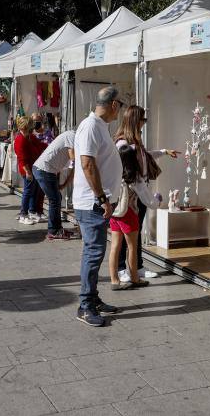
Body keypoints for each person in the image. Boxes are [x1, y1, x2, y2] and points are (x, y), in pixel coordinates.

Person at [74, 86, 124, 327]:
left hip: (98, 202)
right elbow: (87, 164)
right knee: (93, 254)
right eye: (120, 106)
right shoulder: (91, 126)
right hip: (92, 203)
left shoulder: (100, 127)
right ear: (114, 105)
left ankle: (92, 299)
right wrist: (102, 198)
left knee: (95, 253)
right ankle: (85, 306)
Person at [113, 105, 178, 282]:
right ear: (135, 120)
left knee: (134, 232)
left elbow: (145, 157)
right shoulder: (123, 144)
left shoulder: (135, 142)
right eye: (143, 119)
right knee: (124, 235)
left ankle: (136, 268)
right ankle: (122, 270)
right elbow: (128, 173)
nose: (144, 123)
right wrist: (148, 196)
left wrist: (164, 152)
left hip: (137, 195)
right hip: (129, 196)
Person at [109, 144, 161, 290]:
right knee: (132, 247)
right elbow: (148, 199)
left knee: (115, 247)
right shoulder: (134, 177)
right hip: (129, 213)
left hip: (115, 214)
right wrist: (158, 200)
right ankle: (135, 278)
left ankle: (114, 280)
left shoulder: (113, 174)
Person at [33, 129, 75, 240]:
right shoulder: (72, 135)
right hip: (44, 169)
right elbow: (74, 158)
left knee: (57, 198)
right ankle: (53, 230)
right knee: (54, 199)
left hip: (47, 170)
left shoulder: (73, 139)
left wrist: (63, 185)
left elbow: (74, 170)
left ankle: (57, 228)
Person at [13, 116, 47, 225]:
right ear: (24, 127)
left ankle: (32, 211)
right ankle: (23, 214)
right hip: (27, 169)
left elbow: (40, 145)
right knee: (28, 191)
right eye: (29, 126)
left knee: (34, 190)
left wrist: (50, 146)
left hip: (33, 167)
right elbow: (22, 159)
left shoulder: (29, 136)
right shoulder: (20, 139)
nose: (31, 128)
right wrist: (28, 172)